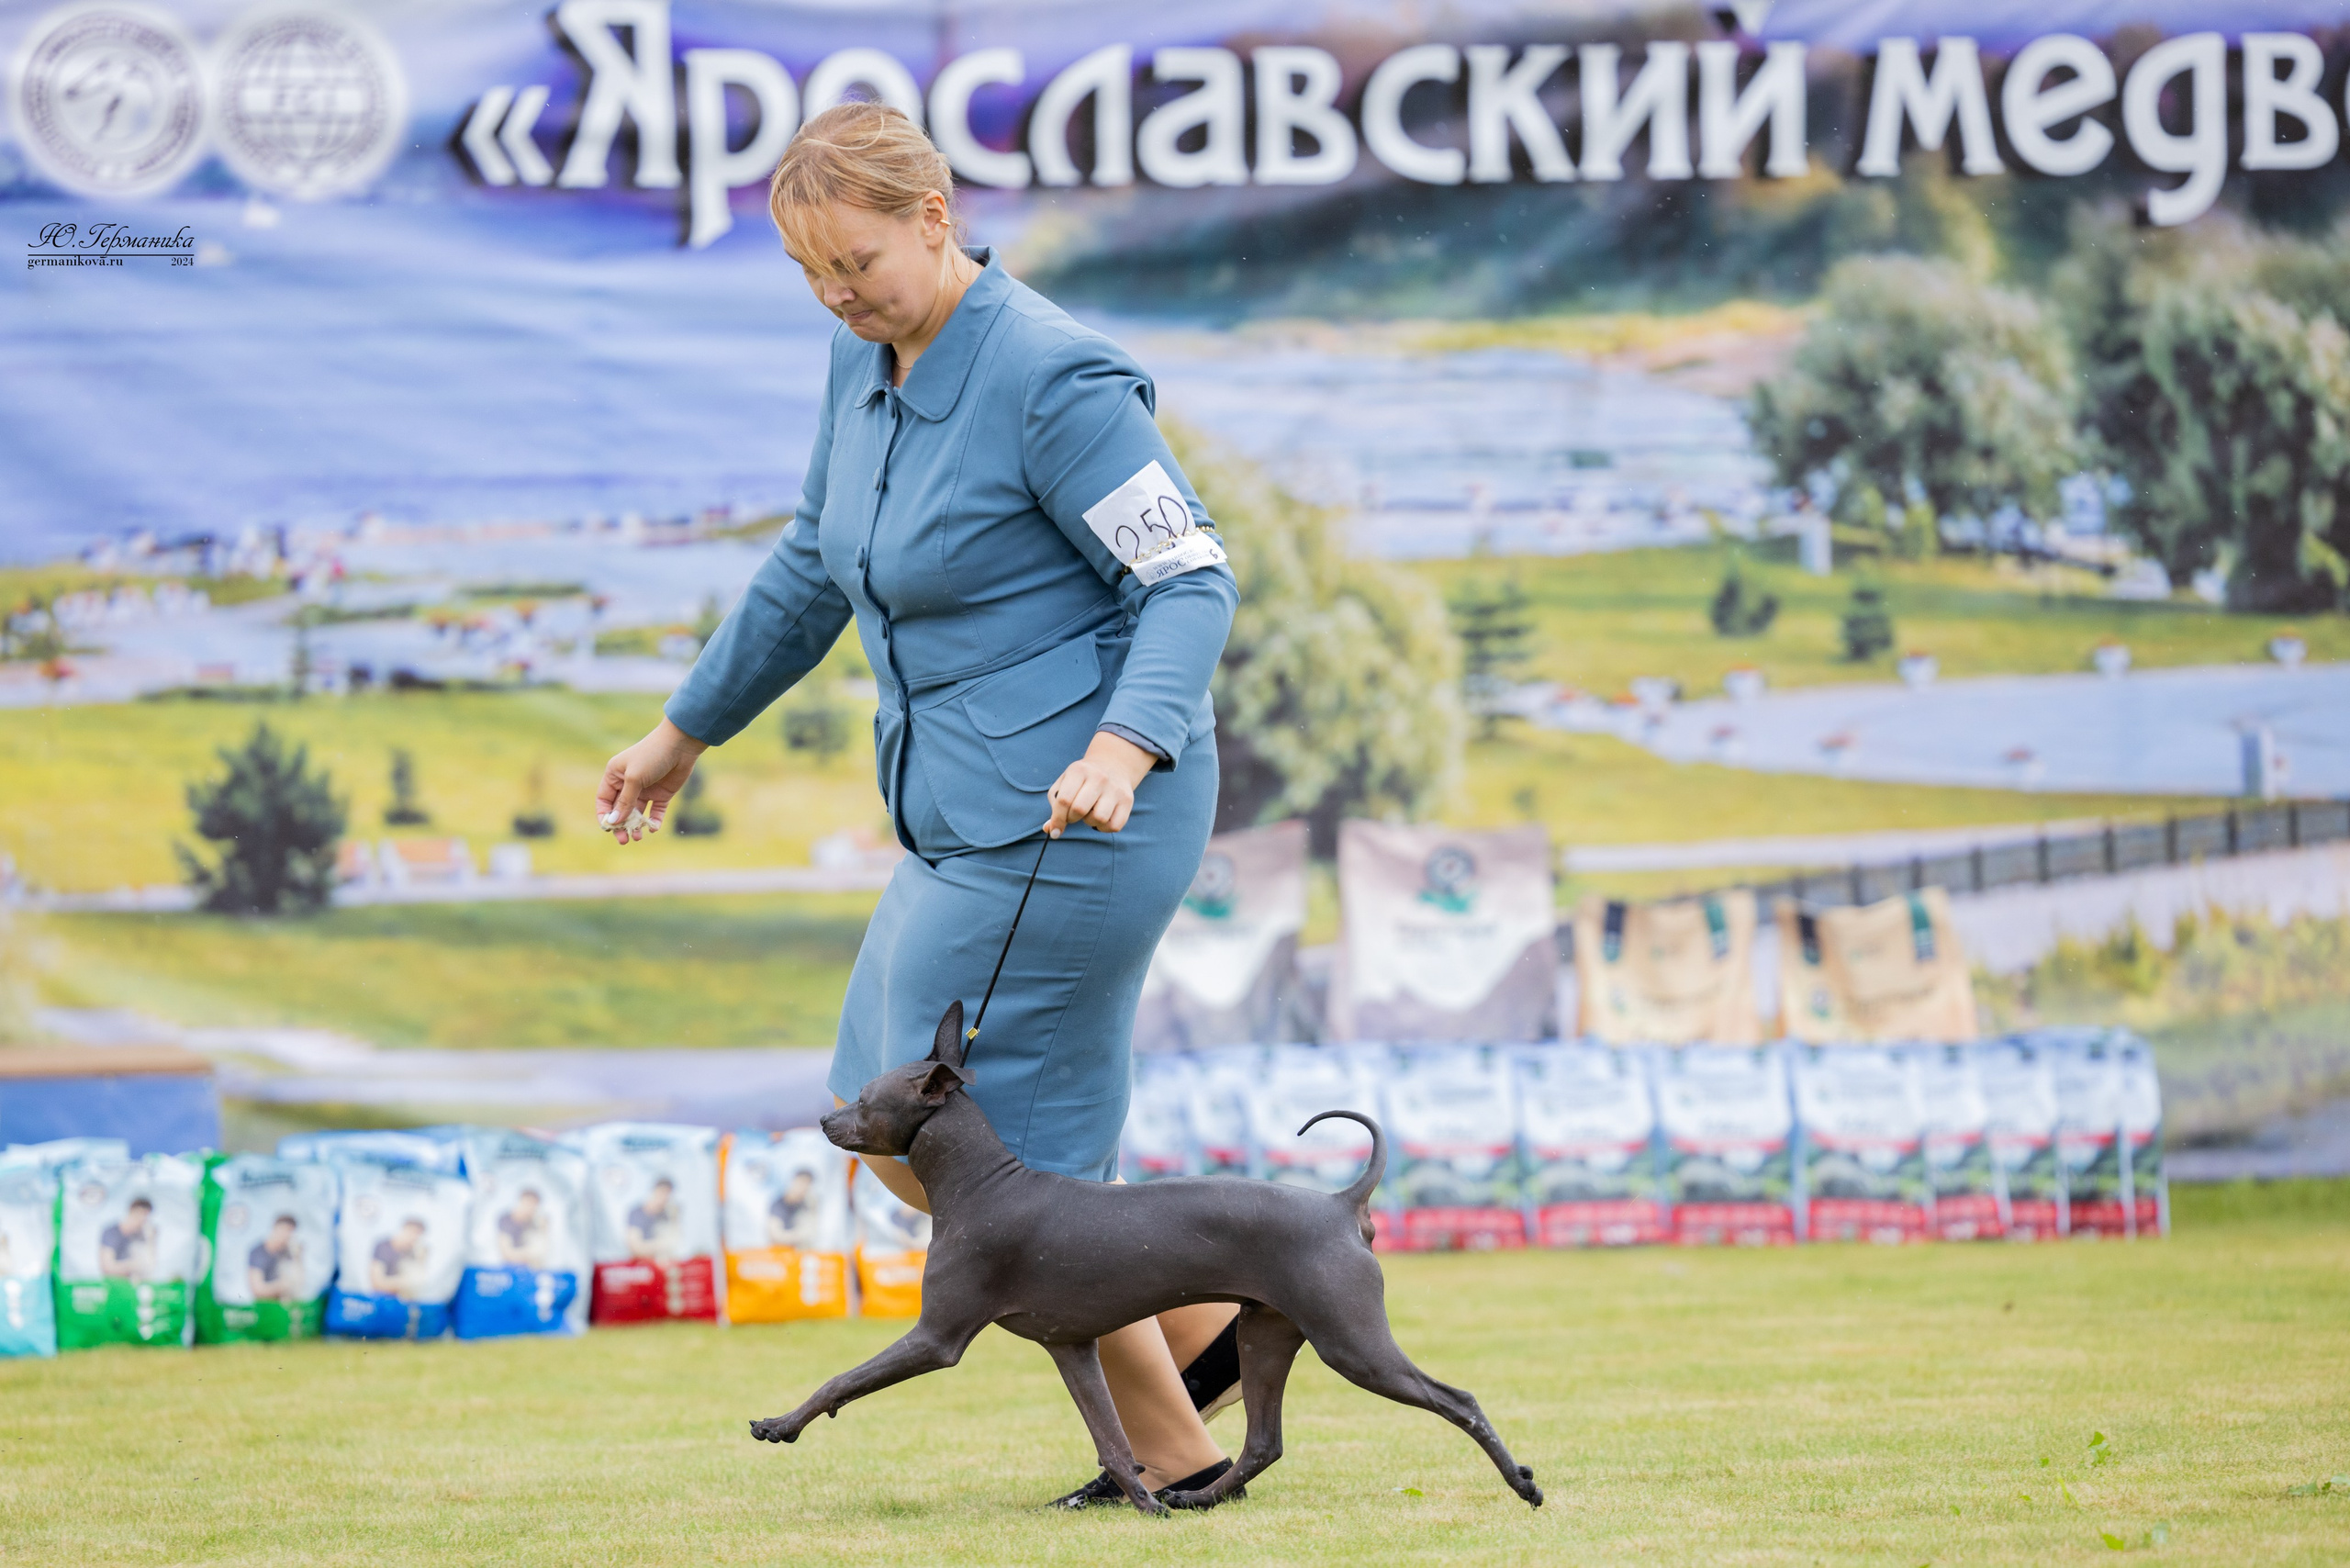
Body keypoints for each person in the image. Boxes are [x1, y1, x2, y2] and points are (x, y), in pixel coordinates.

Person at [596, 101, 1242, 1505]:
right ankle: (1213, 1320)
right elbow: (815, 565)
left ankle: (1179, 1453)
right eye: (811, 274)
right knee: (873, 1113)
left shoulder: (1058, 381)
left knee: (980, 1160)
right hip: (958, 820)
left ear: (936, 220)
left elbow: (1190, 581)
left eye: (859, 263)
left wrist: (1127, 747)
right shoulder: (864, 361)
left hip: (1081, 815)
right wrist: (682, 731)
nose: (838, 295)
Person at [246, 1214, 303, 1305]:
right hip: (265, 1307)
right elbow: (257, 1290)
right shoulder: (258, 1252)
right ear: (275, 1228)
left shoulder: (288, 1252)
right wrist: (282, 1286)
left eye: (290, 1232)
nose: (286, 1235)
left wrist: (298, 1257)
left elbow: (299, 1285)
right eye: (284, 1230)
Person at [370, 1217, 429, 1299]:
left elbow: (420, 1282)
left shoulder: (413, 1252)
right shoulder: (384, 1247)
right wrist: (403, 1282)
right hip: (382, 1301)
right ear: (404, 1229)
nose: (415, 1238)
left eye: (418, 1235)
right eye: (413, 1232)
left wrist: (422, 1259)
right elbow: (376, 1283)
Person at [98, 1196, 154, 1282]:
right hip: (114, 1286)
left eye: (146, 1216)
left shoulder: (142, 1236)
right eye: (140, 1214)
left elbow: (150, 1266)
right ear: (131, 1211)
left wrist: (151, 1239)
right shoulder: (112, 1233)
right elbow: (107, 1267)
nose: (143, 1219)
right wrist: (132, 1265)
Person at [626, 1179, 681, 1261]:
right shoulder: (637, 1213)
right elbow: (635, 1247)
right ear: (653, 1191)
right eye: (662, 1192)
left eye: (668, 1194)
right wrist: (661, 1245)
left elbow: (675, 1244)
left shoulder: (666, 1215)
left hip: (662, 1265)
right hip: (641, 1266)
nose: (664, 1198)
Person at [497, 1188, 548, 1270]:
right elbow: (506, 1253)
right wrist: (529, 1254)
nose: (531, 1208)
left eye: (534, 1205)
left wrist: (543, 1228)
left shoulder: (536, 1223)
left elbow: (541, 1255)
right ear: (521, 1202)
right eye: (528, 1203)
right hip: (509, 1270)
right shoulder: (506, 1220)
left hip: (532, 1271)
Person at [766, 1170, 817, 1249]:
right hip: (780, 1254)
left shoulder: (807, 1204)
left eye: (807, 1184)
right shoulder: (779, 1205)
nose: (803, 1188)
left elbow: (812, 1231)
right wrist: (799, 1235)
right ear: (793, 1182)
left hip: (800, 1254)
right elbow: (775, 1236)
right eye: (801, 1183)